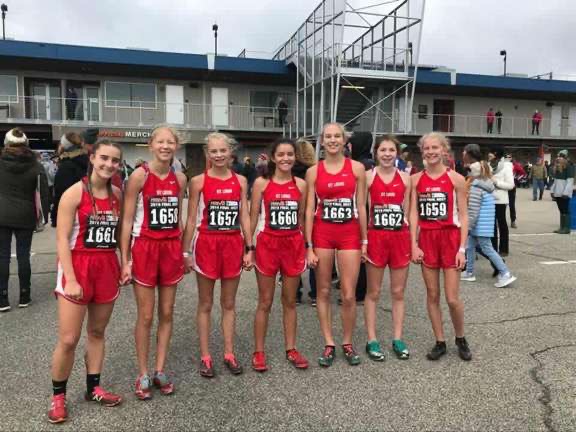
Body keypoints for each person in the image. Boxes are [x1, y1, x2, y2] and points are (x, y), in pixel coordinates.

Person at [48, 139, 123, 424]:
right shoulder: (74, 193)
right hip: (77, 265)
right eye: (104, 158)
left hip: (105, 267)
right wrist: (70, 278)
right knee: (68, 339)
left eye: (115, 160)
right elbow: (61, 240)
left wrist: (123, 263)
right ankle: (58, 397)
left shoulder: (117, 193)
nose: (109, 165)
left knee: (97, 332)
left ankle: (94, 388)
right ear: (92, 158)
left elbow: (118, 234)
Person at [120, 126, 187, 400]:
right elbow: (126, 220)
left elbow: (179, 218)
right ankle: (143, 372)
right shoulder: (139, 176)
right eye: (160, 141)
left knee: (167, 312)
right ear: (151, 145)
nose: (165, 146)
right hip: (145, 247)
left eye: (170, 142)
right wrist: (124, 260)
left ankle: (160, 370)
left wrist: (183, 253)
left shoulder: (180, 178)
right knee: (146, 315)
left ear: (176, 146)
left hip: (170, 248)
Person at [182, 132, 253, 378]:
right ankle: (205, 356)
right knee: (205, 303)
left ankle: (229, 353)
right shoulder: (198, 181)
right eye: (214, 151)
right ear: (207, 154)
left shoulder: (241, 181)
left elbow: (244, 215)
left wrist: (249, 248)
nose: (219, 155)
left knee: (229, 303)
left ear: (230, 152)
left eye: (223, 150)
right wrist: (186, 251)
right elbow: (191, 218)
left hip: (232, 243)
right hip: (207, 244)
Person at [305, 122, 367, 367]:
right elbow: (309, 209)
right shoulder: (313, 171)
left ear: (344, 140)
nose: (332, 140)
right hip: (323, 234)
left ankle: (348, 342)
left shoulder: (357, 168)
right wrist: (308, 245)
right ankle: (329, 342)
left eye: (336, 136)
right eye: (328, 136)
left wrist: (364, 241)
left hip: (349, 234)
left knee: (349, 294)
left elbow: (361, 206)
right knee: (323, 291)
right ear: (322, 140)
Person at [409, 132, 472, 361]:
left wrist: (462, 249)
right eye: (426, 148)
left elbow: (464, 216)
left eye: (435, 147)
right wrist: (413, 244)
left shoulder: (455, 179)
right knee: (432, 294)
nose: (431, 151)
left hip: (450, 238)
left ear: (444, 150)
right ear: (422, 151)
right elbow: (413, 213)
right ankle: (440, 340)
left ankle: (460, 337)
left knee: (452, 298)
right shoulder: (415, 180)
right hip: (427, 238)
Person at [249, 138, 309, 372]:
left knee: (290, 300)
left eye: (290, 154)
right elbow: (253, 217)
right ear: (273, 157)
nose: (286, 158)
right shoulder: (262, 183)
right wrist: (249, 248)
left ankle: (291, 348)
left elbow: (302, 218)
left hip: (292, 244)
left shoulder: (301, 185)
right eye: (281, 154)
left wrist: (306, 246)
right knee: (265, 301)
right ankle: (259, 351)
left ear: (295, 157)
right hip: (267, 244)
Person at [364, 135, 412, 361]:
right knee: (373, 292)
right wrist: (363, 240)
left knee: (398, 292)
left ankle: (398, 337)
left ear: (397, 153)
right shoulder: (367, 177)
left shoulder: (405, 178)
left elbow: (409, 212)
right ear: (376, 153)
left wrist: (414, 242)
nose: (387, 154)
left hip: (399, 238)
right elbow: (361, 210)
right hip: (376, 238)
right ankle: (372, 339)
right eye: (383, 150)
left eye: (391, 150)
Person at [0, 128, 50, 312]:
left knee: (2, 256)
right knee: (23, 255)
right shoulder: (36, 165)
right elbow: (44, 192)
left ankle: (2, 298)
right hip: (26, 214)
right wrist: (43, 217)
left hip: (2, 214)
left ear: (6, 143)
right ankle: (24, 294)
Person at [459, 144, 517, 288]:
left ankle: (505, 273)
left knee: (487, 248)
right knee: (470, 246)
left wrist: (467, 226)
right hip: (483, 223)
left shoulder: (476, 187)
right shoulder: (485, 184)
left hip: (479, 224)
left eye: (469, 171)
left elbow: (473, 210)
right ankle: (469, 272)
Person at [293, 138, 317, 305]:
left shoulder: (289, 171)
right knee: (314, 251)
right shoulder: (315, 171)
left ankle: (296, 290)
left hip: (292, 215)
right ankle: (315, 293)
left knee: (293, 253)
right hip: (314, 214)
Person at [51, 132, 89, 227]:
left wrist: (55, 217)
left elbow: (60, 194)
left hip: (70, 216)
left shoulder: (67, 166)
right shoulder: (88, 162)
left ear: (64, 146)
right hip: (86, 213)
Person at [488, 147, 514, 256]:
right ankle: (492, 249)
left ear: (496, 154)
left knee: (502, 223)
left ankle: (504, 249)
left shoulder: (506, 166)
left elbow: (511, 185)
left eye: (491, 154)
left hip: (501, 200)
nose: (488, 155)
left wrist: (496, 182)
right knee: (491, 225)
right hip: (488, 199)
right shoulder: (488, 166)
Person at [550, 150, 574, 234]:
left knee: (565, 210)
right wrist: (552, 190)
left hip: (564, 193)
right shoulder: (557, 167)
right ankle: (562, 227)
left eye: (561, 157)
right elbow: (555, 181)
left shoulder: (569, 167)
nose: (558, 158)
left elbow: (570, 181)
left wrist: (566, 193)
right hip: (557, 192)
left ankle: (566, 228)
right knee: (561, 210)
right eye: (558, 157)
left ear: (565, 158)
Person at [509, 155, 525, 229]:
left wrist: (516, 179)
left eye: (509, 157)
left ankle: (513, 221)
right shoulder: (500, 165)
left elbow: (523, 173)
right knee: (500, 206)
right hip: (501, 188)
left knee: (511, 205)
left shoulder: (515, 165)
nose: (508, 159)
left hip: (511, 187)